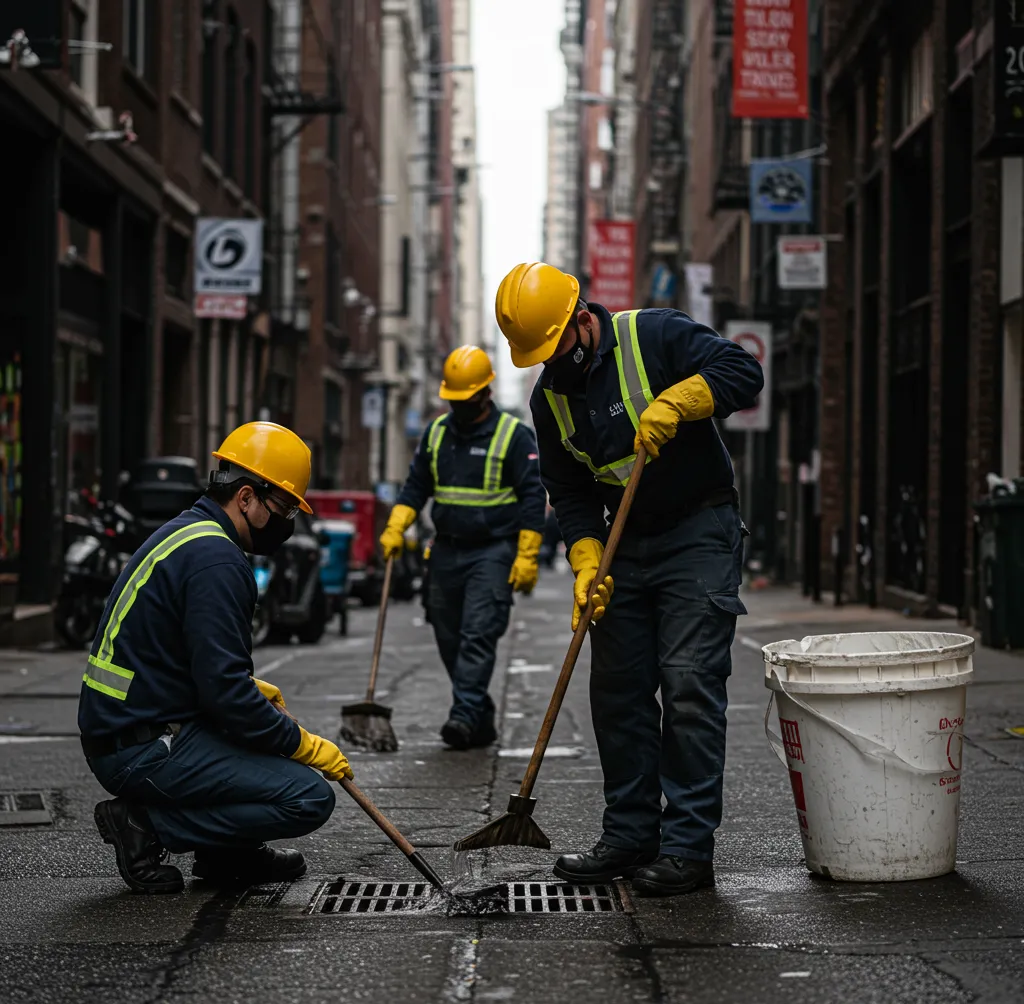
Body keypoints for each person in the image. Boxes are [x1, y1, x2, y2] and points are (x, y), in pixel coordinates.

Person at [495, 262, 764, 897]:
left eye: (554, 347)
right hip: (623, 541)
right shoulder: (549, 398)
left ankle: (688, 848)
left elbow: (743, 371)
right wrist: (587, 560)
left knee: (689, 685)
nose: (550, 364)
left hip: (698, 529)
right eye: (538, 357)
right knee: (618, 693)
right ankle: (629, 835)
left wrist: (682, 399)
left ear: (581, 320)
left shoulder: (654, 334)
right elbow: (568, 490)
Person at [79, 422, 352, 895]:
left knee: (257, 740)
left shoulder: (188, 533)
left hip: (130, 730)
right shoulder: (218, 560)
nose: (286, 522)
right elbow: (226, 696)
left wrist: (249, 691)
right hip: (142, 746)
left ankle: (227, 854)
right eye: (283, 507)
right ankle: (145, 827)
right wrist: (301, 744)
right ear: (246, 497)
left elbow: (187, 656)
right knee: (308, 796)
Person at [379, 345, 546, 750]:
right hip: (446, 552)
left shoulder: (513, 436)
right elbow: (417, 486)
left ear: (486, 393)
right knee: (447, 634)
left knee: (477, 633)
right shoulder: (437, 433)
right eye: (453, 400)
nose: (459, 408)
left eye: (465, 400)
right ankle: (479, 715)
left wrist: (527, 555)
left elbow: (531, 497)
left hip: (493, 552)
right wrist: (397, 525)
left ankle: (464, 716)